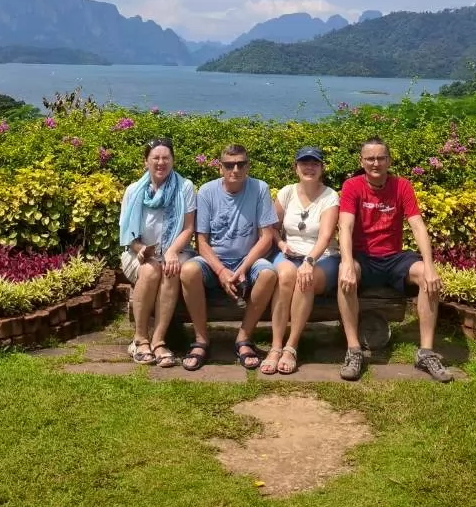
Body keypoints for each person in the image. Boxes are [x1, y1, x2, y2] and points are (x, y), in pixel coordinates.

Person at [336, 136, 454, 382]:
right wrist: (347, 262)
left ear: (389, 160)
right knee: (344, 276)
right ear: (362, 161)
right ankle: (354, 349)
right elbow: (345, 226)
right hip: (363, 258)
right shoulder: (352, 186)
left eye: (380, 158)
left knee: (426, 276)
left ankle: (426, 352)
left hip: (393, 258)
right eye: (370, 159)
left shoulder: (402, 186)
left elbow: (418, 226)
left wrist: (430, 266)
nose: (375, 163)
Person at [179, 144, 279, 371]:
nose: (235, 169)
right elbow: (201, 242)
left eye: (241, 164)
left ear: (248, 166)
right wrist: (221, 271)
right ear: (220, 168)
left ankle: (243, 338)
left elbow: (266, 237)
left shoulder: (260, 188)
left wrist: (244, 267)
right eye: (229, 165)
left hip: (247, 259)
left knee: (268, 274)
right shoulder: (206, 191)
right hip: (215, 260)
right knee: (188, 270)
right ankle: (201, 339)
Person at [259, 146, 341, 375]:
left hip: (321, 257)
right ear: (296, 168)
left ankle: (291, 347)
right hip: (288, 254)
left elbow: (325, 236)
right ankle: (275, 347)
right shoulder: (287, 192)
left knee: (306, 279)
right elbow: (270, 226)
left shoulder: (330, 196)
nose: (309, 167)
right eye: (304, 163)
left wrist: (310, 261)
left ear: (322, 168)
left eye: (314, 163)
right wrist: (281, 244)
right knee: (285, 276)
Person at [117, 137, 197, 368]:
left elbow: (189, 227)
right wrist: (141, 249)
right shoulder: (133, 191)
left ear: (172, 160)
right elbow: (127, 234)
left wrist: (172, 251)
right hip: (138, 254)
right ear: (146, 162)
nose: (161, 162)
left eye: (166, 158)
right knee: (151, 270)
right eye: (156, 158)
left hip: (175, 251)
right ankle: (140, 339)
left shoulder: (185, 187)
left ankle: (159, 341)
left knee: (171, 269)